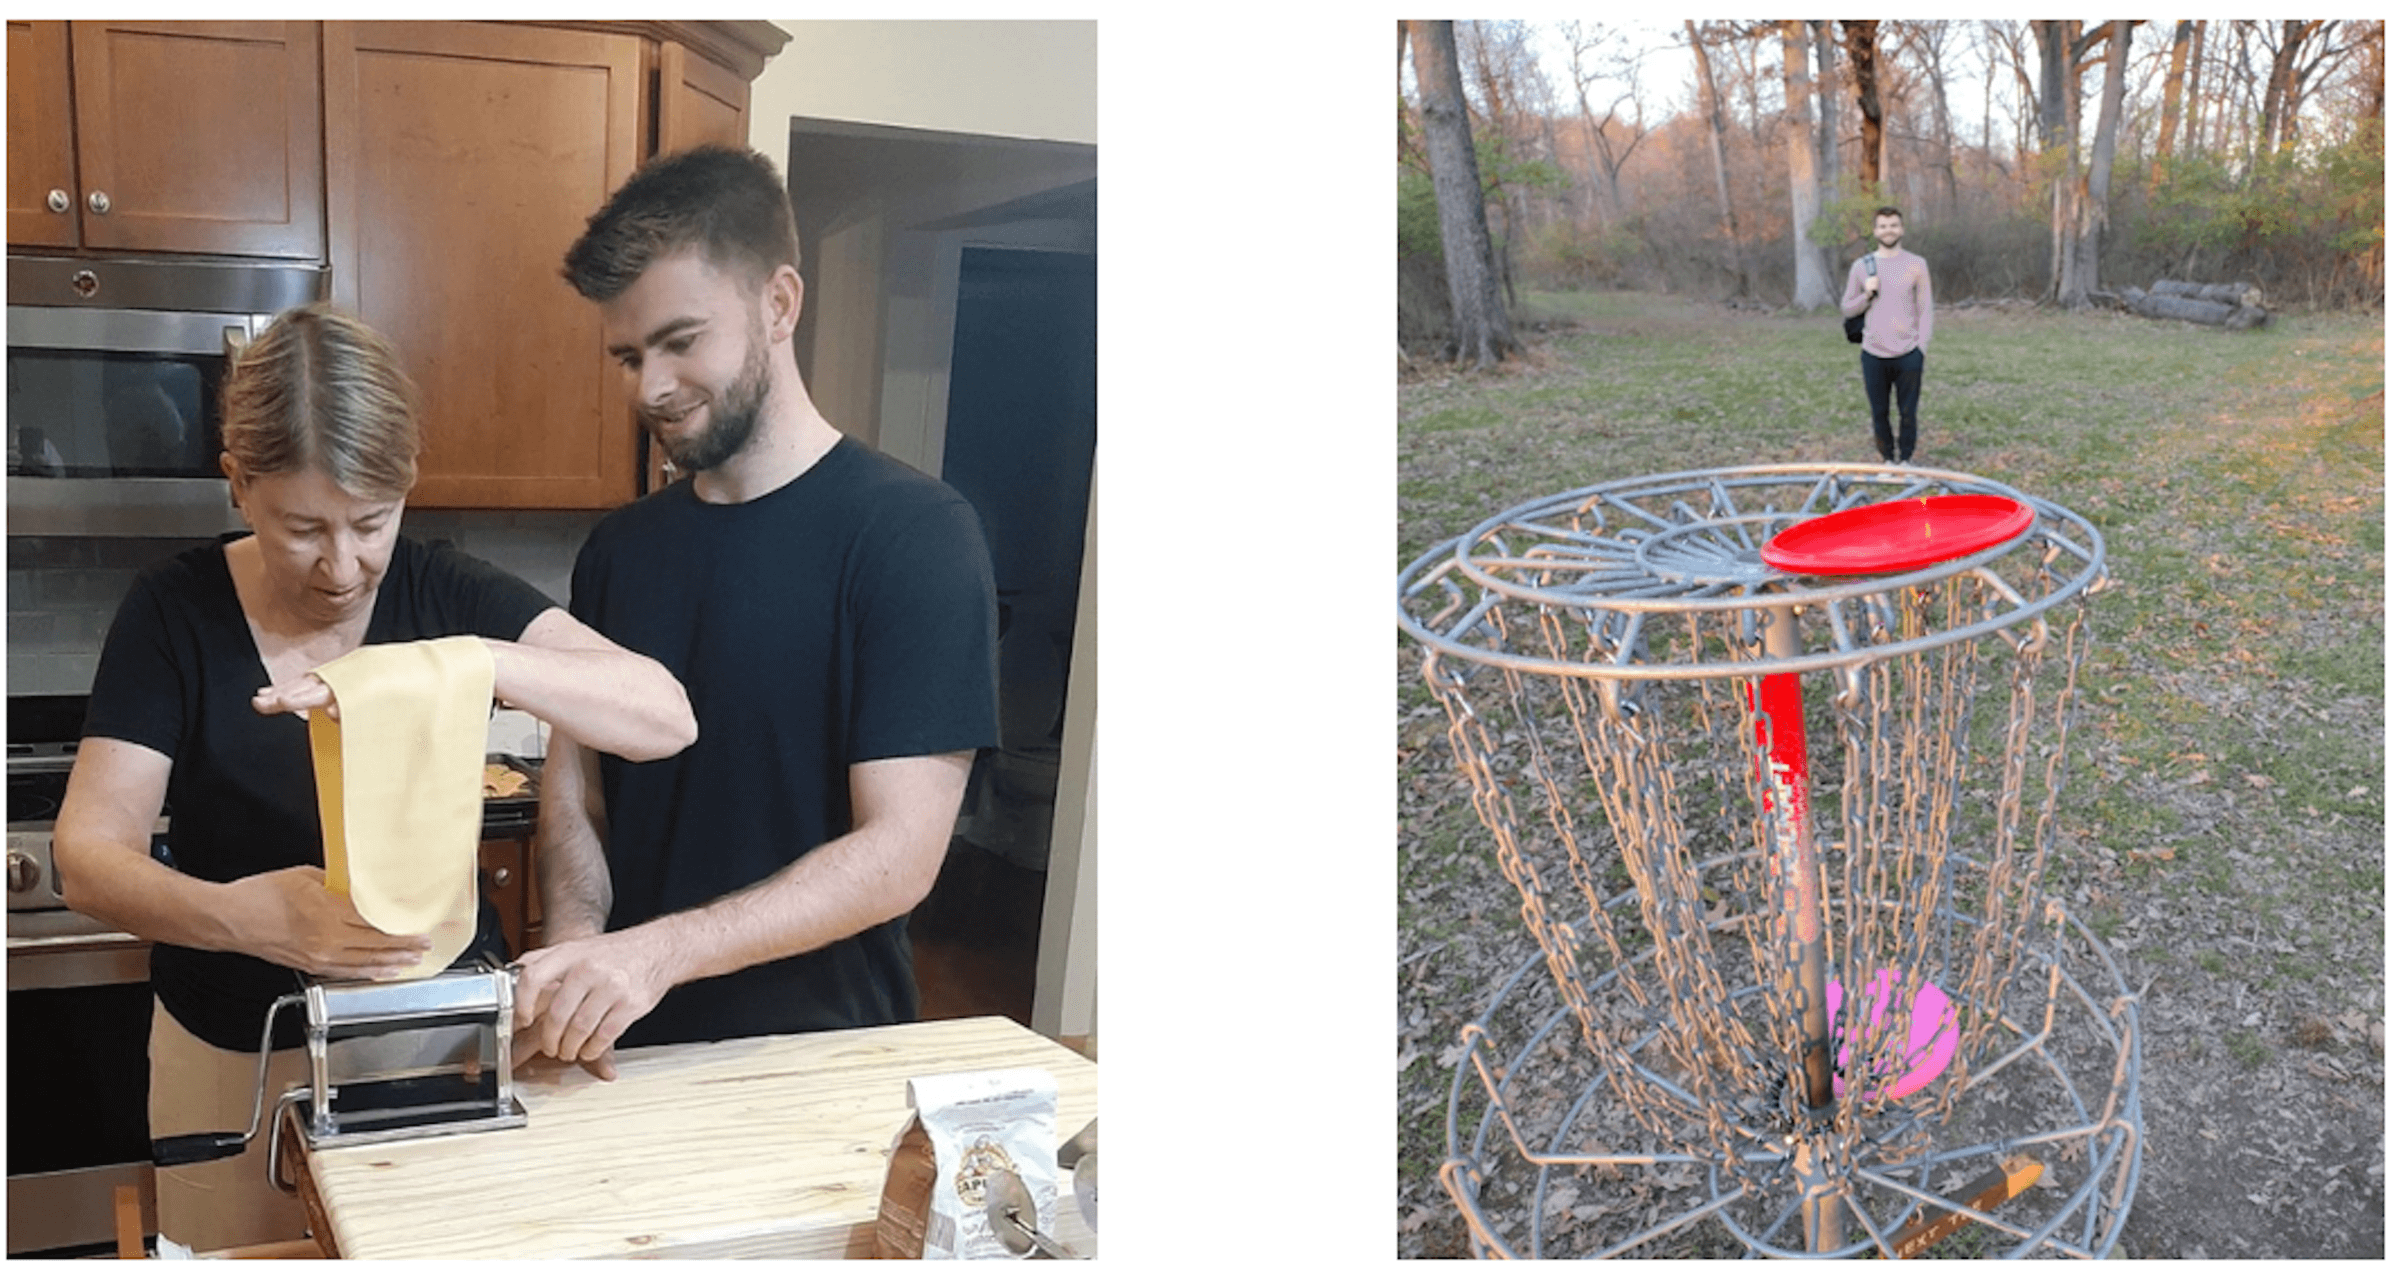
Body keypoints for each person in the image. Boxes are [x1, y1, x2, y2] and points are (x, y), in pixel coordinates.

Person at [52, 304, 697, 1253]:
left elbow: (664, 717)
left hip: (437, 1036)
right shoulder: (172, 613)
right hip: (237, 1048)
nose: (344, 566)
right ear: (239, 486)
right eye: (303, 527)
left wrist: (472, 658)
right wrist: (248, 919)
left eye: (372, 522)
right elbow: (87, 858)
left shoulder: (446, 594)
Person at [509, 145, 999, 1076]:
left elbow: (901, 852)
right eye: (627, 354)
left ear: (779, 304)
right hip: (624, 1056)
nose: (647, 387)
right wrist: (578, 948)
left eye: (680, 340)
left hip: (816, 1064)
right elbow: (581, 794)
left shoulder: (914, 536)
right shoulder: (619, 552)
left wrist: (650, 956)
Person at [1839, 206, 1934, 463]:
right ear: (1875, 231)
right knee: (1879, 411)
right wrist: (1867, 294)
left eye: (1893, 225)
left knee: (1908, 412)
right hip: (1873, 353)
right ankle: (1887, 460)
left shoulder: (1917, 265)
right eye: (1882, 226)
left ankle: (1906, 460)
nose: (1888, 230)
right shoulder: (1862, 266)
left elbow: (1926, 309)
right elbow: (1847, 308)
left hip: (1908, 354)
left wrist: (1921, 347)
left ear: (1901, 229)